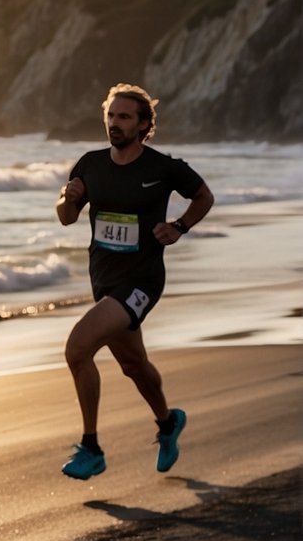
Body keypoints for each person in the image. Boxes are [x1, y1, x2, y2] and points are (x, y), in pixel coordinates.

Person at [56, 83, 214, 481]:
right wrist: (69, 197)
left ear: (144, 125)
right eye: (110, 115)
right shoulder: (90, 164)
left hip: (143, 280)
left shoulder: (162, 168)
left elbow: (203, 197)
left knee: (78, 348)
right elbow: (66, 217)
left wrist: (179, 226)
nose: (114, 123)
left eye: (124, 117)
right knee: (133, 364)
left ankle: (91, 447)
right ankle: (167, 422)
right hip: (103, 279)